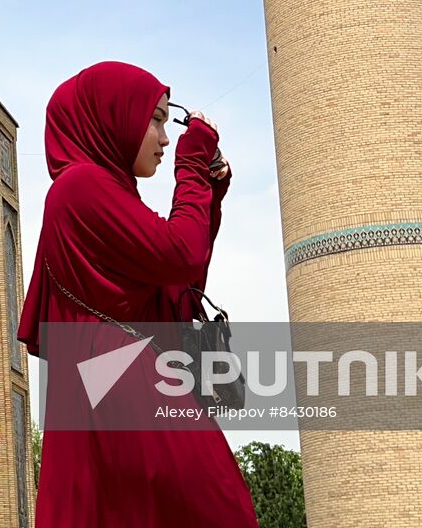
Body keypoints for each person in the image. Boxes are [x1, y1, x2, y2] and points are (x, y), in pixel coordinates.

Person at [18, 60, 259, 527]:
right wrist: (191, 166)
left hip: (111, 380)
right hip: (118, 382)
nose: (166, 139)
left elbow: (179, 295)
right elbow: (180, 254)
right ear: (112, 115)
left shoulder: (108, 193)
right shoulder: (80, 186)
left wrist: (208, 191)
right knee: (219, 506)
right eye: (156, 119)